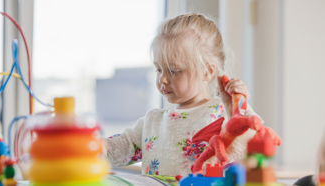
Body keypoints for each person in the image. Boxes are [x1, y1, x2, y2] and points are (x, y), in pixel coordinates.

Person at [106, 13, 262, 176]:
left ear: (207, 71)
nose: (163, 79)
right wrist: (88, 145)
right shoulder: (153, 121)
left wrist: (239, 110)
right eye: (159, 69)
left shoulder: (221, 112)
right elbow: (121, 147)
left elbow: (256, 148)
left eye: (174, 71)